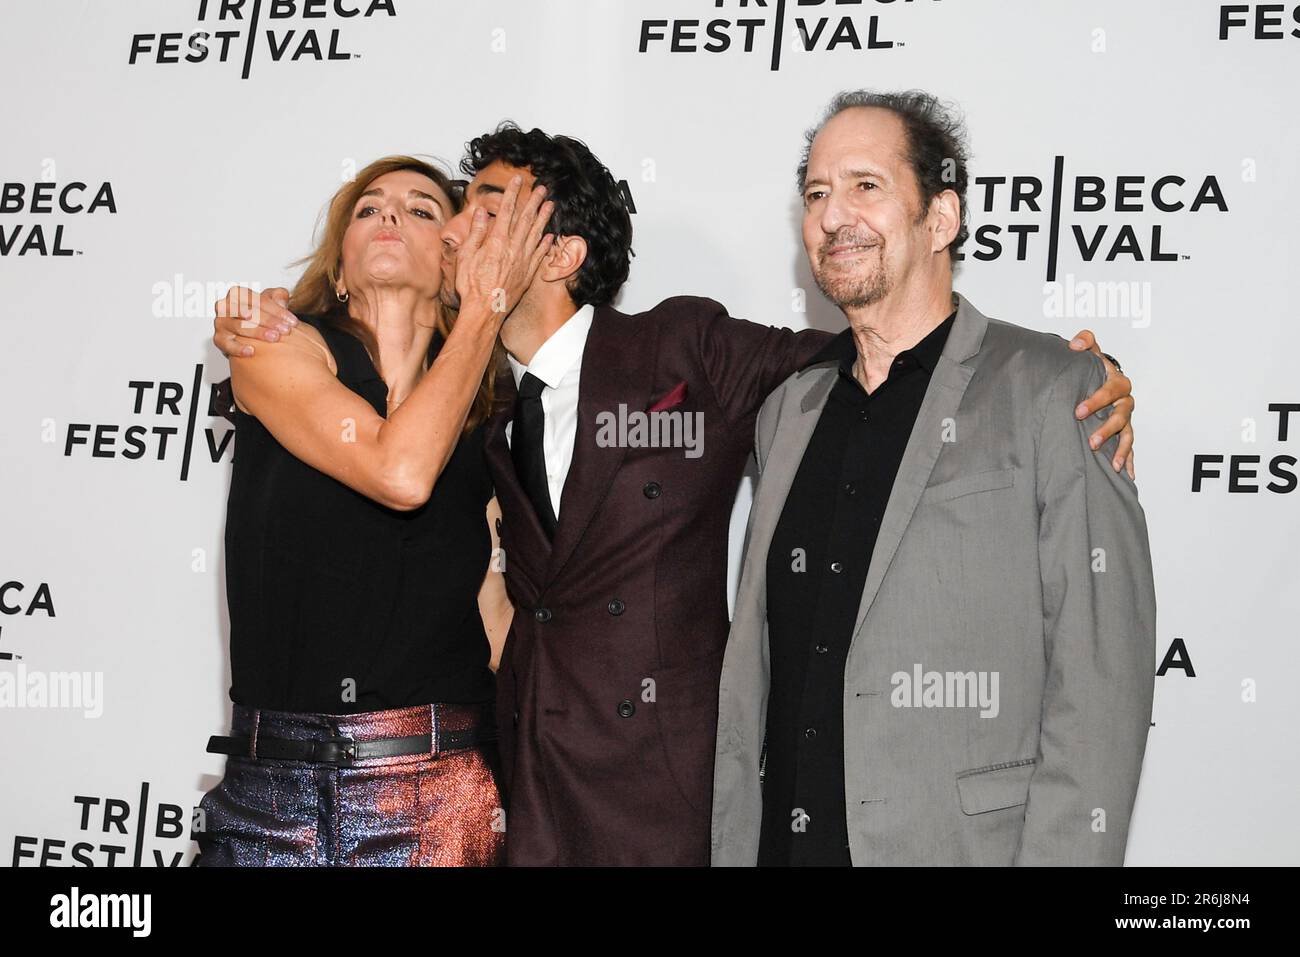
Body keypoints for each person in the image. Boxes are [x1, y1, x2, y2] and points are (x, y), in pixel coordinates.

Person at [211, 124, 1136, 866]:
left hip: (660, 805)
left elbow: (873, 349)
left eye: (483, 211)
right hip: (516, 802)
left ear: (560, 250)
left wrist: (1071, 372)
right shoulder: (477, 405)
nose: (452, 230)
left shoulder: (678, 350)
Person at [711, 91, 1156, 866]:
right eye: (816, 194)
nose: (831, 213)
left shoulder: (1055, 389)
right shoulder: (788, 412)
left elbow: (1102, 686)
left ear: (941, 219)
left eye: (865, 186)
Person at [196, 155, 553, 866]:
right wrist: (485, 307)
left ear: (452, 261)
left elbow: (495, 605)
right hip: (271, 791)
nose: (390, 214)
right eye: (369, 207)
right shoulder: (276, 348)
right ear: (339, 269)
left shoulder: (497, 412)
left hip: (443, 787)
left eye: (422, 209)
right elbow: (399, 471)